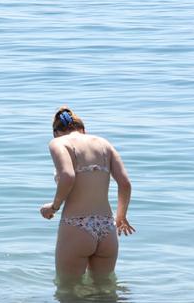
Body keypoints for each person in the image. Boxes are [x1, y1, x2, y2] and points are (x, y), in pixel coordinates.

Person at [39, 107, 134, 284]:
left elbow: (68, 176)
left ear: (55, 132)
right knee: (105, 293)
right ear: (83, 129)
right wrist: (121, 217)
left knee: (68, 293)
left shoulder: (59, 143)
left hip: (77, 226)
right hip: (107, 227)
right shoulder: (104, 144)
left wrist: (53, 207)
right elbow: (125, 183)